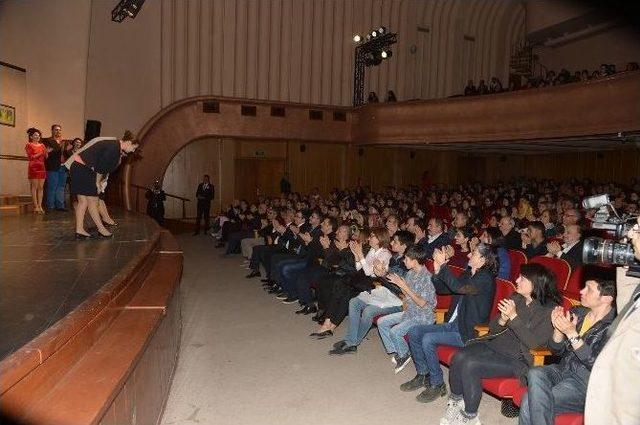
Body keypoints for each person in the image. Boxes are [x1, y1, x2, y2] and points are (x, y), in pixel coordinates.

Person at [440, 263, 560, 425]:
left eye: (522, 278)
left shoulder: (549, 311)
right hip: (495, 345)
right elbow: (492, 327)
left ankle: (470, 416)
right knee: (459, 355)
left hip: (518, 359)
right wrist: (503, 318)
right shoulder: (516, 298)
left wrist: (513, 317)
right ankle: (456, 401)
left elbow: (534, 344)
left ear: (535, 284)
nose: (517, 280)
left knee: (470, 364)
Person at [402, 244, 497, 402]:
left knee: (428, 339)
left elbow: (459, 288)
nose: (468, 255)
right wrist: (438, 269)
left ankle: (438, 383)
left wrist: (444, 265)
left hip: (467, 331)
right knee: (414, 332)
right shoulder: (469, 273)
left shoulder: (485, 279)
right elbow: (443, 290)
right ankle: (423, 374)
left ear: (483, 260)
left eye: (472, 253)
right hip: (453, 324)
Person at [519, 278, 616, 425]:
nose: (581, 291)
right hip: (563, 369)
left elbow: (596, 364)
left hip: (585, 384)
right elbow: (556, 351)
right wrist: (558, 330)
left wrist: (571, 333)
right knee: (535, 372)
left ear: (607, 298)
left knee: (528, 402)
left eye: (588, 289)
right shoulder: (578, 312)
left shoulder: (614, 328)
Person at [329, 230, 414, 355]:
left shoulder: (406, 262)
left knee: (368, 311)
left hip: (398, 300)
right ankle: (351, 341)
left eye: (395, 241)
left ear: (404, 245)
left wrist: (382, 274)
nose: (391, 242)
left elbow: (401, 288)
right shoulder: (395, 258)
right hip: (385, 292)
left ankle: (352, 342)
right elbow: (372, 274)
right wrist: (358, 255)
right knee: (354, 302)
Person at [375, 245, 437, 373]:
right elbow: (406, 294)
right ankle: (400, 351)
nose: (404, 261)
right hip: (410, 311)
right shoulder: (411, 273)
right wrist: (395, 281)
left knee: (395, 332)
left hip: (423, 316)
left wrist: (403, 285)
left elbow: (422, 304)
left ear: (414, 260)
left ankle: (404, 354)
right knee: (381, 322)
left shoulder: (427, 278)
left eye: (406, 259)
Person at [65, 135, 138, 239]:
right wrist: (97, 183)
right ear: (129, 142)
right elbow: (101, 168)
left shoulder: (113, 144)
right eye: (134, 148)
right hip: (84, 169)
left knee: (83, 201)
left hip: (78, 167)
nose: (132, 151)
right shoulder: (114, 148)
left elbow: (100, 165)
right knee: (93, 201)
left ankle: (79, 230)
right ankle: (101, 229)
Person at [43, 124, 72, 211]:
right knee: (52, 187)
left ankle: (60, 206)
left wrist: (68, 150)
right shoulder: (48, 141)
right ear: (52, 131)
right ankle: (50, 206)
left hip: (63, 167)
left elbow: (69, 154)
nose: (58, 131)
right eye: (56, 130)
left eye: (59, 130)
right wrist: (61, 146)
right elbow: (51, 152)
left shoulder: (65, 142)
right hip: (52, 167)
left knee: (61, 187)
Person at [24, 128, 47, 214]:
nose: (37, 137)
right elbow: (31, 157)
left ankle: (40, 206)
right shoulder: (28, 145)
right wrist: (42, 153)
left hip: (42, 167)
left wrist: (47, 152)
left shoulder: (42, 145)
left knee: (41, 187)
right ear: (31, 136)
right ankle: (35, 206)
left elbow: (46, 156)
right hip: (33, 167)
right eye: (35, 135)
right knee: (34, 187)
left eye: (38, 135)